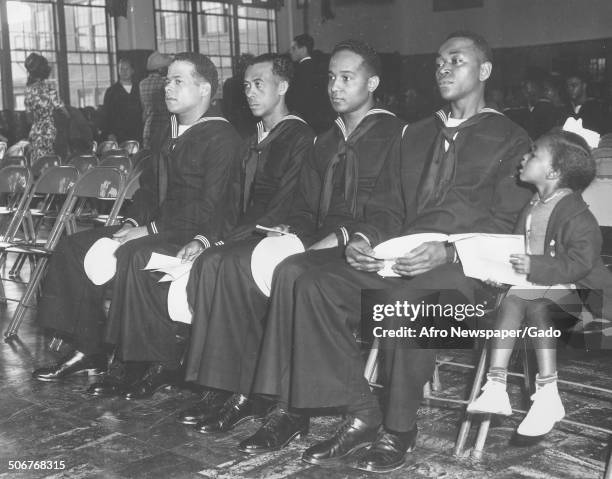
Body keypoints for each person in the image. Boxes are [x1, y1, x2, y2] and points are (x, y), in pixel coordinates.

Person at [243, 31, 533, 472]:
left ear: (485, 71)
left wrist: (449, 251)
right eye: (439, 61)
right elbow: (386, 208)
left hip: (469, 277)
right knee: (306, 277)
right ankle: (360, 410)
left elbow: (511, 230)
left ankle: (399, 428)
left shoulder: (510, 139)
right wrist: (364, 239)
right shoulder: (415, 135)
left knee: (405, 302)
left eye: (457, 61)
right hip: (400, 259)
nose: (443, 69)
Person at [179, 40, 404, 436]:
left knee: (289, 271)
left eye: (346, 78)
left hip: (368, 246)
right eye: (331, 78)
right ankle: (246, 389)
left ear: (372, 83)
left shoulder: (396, 135)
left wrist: (330, 239)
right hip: (319, 240)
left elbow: (391, 211)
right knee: (231, 262)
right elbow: (304, 207)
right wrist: (293, 229)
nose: (335, 86)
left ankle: (291, 406)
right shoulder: (327, 140)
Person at [91, 53, 314, 401]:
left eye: (259, 85)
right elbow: (233, 200)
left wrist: (217, 239)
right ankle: (155, 364)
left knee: (210, 264)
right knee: (141, 256)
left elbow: (281, 206)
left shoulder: (297, 135)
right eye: (247, 86)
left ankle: (225, 387)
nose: (251, 93)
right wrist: (210, 236)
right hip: (233, 230)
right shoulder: (252, 136)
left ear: (283, 87)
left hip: (270, 235)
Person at [32, 53, 241, 386]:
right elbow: (147, 190)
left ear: (204, 89)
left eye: (177, 81)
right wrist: (132, 223)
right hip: (154, 226)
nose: (167, 88)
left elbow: (210, 207)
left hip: (193, 232)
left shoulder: (223, 138)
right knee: (74, 246)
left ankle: (138, 361)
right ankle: (89, 349)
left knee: (130, 254)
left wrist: (150, 229)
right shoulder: (168, 131)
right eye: (167, 80)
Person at [467, 129, 612, 442]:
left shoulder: (577, 214)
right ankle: (496, 385)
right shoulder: (533, 206)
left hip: (589, 301)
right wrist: (501, 273)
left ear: (554, 172)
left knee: (534, 304)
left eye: (533, 153)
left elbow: (581, 264)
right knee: (513, 300)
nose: (524, 157)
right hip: (543, 292)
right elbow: (517, 252)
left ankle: (547, 393)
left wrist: (536, 266)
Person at [24, 53, 67, 162]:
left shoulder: (28, 91)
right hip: (50, 133)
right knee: (50, 166)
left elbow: (29, 119)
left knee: (37, 166)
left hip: (35, 134)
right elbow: (65, 113)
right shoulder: (49, 90)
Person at [287, 34, 332, 133]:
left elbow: (297, 101)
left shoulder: (299, 70)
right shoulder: (319, 67)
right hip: (320, 121)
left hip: (305, 122)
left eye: (293, 48)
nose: (290, 52)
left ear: (303, 49)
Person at [101, 58, 143, 144]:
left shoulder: (139, 89)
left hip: (138, 134)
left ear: (132, 71)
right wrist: (110, 133)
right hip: (119, 136)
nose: (124, 72)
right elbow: (106, 115)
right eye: (121, 69)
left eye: (126, 69)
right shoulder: (111, 91)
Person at [140, 51, 173, 150]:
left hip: (148, 128)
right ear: (160, 69)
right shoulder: (166, 83)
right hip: (165, 129)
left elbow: (144, 110)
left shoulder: (142, 84)